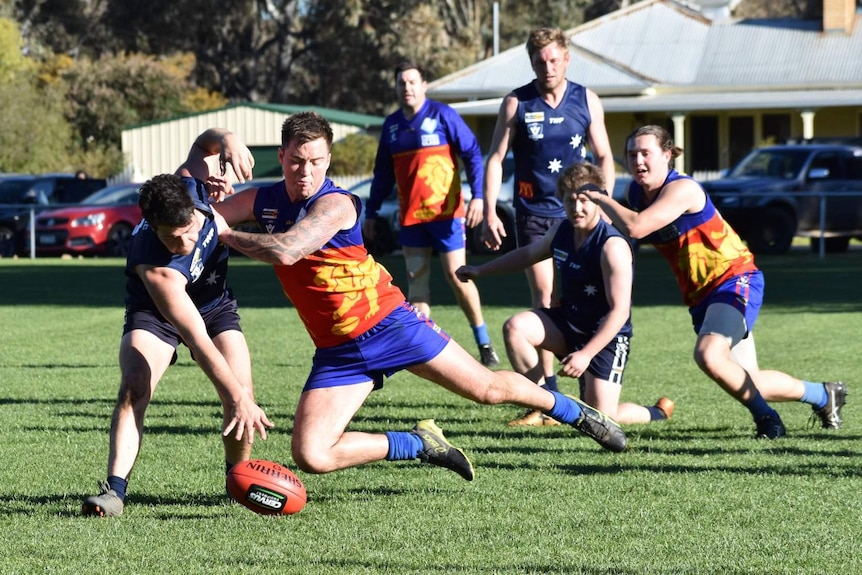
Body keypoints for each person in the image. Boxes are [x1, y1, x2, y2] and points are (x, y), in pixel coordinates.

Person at [195, 112, 630, 485]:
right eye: (295, 162)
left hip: (390, 323)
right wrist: (221, 148)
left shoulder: (337, 204)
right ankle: (418, 443)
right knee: (312, 454)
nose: (305, 172)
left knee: (489, 389)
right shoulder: (262, 200)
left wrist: (226, 232)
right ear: (282, 156)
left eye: (315, 162)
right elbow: (194, 205)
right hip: (338, 350)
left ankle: (578, 413)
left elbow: (288, 249)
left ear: (328, 160)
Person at [581, 124, 847, 438]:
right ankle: (824, 394)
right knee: (749, 381)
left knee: (709, 354)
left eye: (645, 153)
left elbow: (637, 227)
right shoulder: (635, 193)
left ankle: (769, 421)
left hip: (733, 280)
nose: (638, 160)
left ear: (667, 155)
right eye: (632, 154)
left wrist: (599, 197)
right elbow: (625, 233)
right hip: (701, 296)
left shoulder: (683, 189)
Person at [81, 170, 273, 517]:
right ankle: (114, 492)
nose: (182, 245)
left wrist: (225, 141)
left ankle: (237, 481)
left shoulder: (190, 189)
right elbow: (198, 342)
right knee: (134, 387)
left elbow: (203, 146)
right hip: (156, 314)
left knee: (244, 390)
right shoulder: (157, 269)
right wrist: (237, 398)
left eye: (187, 234)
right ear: (152, 227)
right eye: (170, 239)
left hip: (215, 306)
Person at [457, 162, 673, 426]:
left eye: (584, 200)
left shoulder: (612, 245)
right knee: (516, 327)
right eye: (570, 200)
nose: (576, 207)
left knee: (603, 417)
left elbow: (620, 312)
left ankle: (656, 413)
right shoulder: (561, 231)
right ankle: (544, 405)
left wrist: (586, 354)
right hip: (568, 324)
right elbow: (527, 255)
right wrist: (480, 270)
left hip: (606, 338)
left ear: (599, 200)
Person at [481, 27, 617, 417]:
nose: (548, 67)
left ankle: (589, 371)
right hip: (535, 214)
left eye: (554, 59)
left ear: (567, 59)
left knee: (584, 296)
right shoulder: (516, 102)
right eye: (540, 61)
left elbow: (605, 155)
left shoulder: (586, 99)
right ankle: (545, 400)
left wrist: (602, 200)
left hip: (582, 217)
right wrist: (490, 209)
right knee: (543, 300)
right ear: (531, 62)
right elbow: (495, 158)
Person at [364, 61, 499, 367]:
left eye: (412, 82)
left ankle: (484, 341)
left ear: (424, 85)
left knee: (458, 277)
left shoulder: (443, 115)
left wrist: (478, 196)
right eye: (401, 83)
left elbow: (473, 153)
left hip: (447, 216)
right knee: (416, 286)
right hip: (412, 218)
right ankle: (423, 354)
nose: (407, 88)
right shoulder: (392, 125)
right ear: (396, 88)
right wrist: (370, 211)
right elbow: (382, 173)